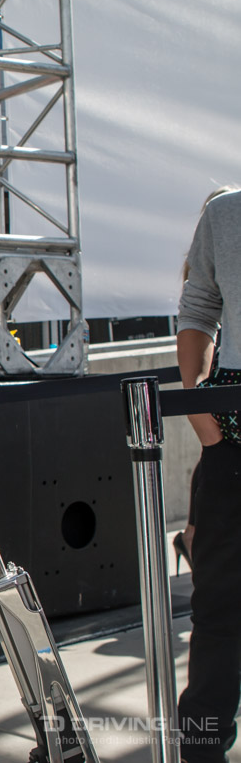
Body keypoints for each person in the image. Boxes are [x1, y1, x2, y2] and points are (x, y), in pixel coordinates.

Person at [175, 186, 241, 763]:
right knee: (219, 607)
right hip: (235, 434)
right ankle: (201, 749)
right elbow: (199, 306)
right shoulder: (226, 212)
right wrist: (200, 410)